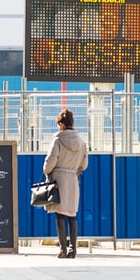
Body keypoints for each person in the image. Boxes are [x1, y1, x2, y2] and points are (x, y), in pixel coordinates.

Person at [43, 108, 89, 259]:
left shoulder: (57, 140)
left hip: (58, 179)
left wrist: (47, 170)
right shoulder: (81, 142)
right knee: (71, 214)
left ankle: (63, 248)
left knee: (60, 214)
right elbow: (84, 164)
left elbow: (50, 161)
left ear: (62, 124)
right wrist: (75, 169)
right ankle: (73, 249)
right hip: (73, 179)